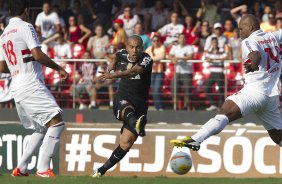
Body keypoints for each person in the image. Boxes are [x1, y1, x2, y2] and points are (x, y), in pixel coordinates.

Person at [170, 14, 282, 152]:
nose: (240, 32)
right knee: (278, 136)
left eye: (242, 29)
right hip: (272, 96)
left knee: (225, 112)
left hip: (255, 91)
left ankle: (196, 139)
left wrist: (254, 63)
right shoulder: (274, 36)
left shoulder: (248, 41)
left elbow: (255, 55)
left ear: (251, 27)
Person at [0, 0, 68, 177]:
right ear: (26, 10)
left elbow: (1, 67)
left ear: (9, 11)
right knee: (57, 122)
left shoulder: (4, 34)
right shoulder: (26, 26)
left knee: (41, 128)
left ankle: (21, 168)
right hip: (30, 83)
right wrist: (58, 68)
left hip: (16, 86)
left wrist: (19, 65)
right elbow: (37, 54)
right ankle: (43, 168)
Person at [91, 35, 152, 178]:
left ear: (142, 48)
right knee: (127, 110)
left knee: (126, 143)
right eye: (131, 46)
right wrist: (110, 68)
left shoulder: (147, 59)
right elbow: (115, 58)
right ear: (127, 47)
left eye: (138, 47)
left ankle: (101, 170)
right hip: (123, 97)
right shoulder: (121, 54)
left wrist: (114, 75)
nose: (135, 50)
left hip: (140, 103)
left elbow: (134, 71)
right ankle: (136, 124)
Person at [169, 34, 194, 110]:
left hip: (187, 72)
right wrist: (173, 59)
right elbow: (170, 55)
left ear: (185, 39)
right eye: (180, 38)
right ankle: (176, 107)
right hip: (177, 72)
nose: (182, 39)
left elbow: (190, 56)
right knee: (174, 89)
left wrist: (178, 58)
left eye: (183, 38)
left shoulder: (189, 47)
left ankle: (185, 107)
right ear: (178, 39)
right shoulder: (175, 47)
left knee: (187, 91)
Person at [204, 37, 229, 111]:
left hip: (219, 72)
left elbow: (226, 57)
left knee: (221, 90)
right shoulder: (209, 50)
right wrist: (208, 59)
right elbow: (206, 58)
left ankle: (220, 106)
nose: (214, 44)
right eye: (213, 42)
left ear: (217, 43)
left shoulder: (221, 49)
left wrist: (214, 60)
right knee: (207, 88)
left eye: (215, 42)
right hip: (212, 73)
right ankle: (213, 104)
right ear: (211, 43)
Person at [146, 35, 166, 111]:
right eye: (154, 40)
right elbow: (145, 57)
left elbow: (161, 56)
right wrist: (154, 58)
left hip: (159, 71)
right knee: (153, 90)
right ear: (152, 41)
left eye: (157, 40)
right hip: (151, 72)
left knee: (157, 90)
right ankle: (157, 107)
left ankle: (160, 107)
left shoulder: (162, 47)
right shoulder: (149, 48)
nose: (156, 42)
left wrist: (151, 58)